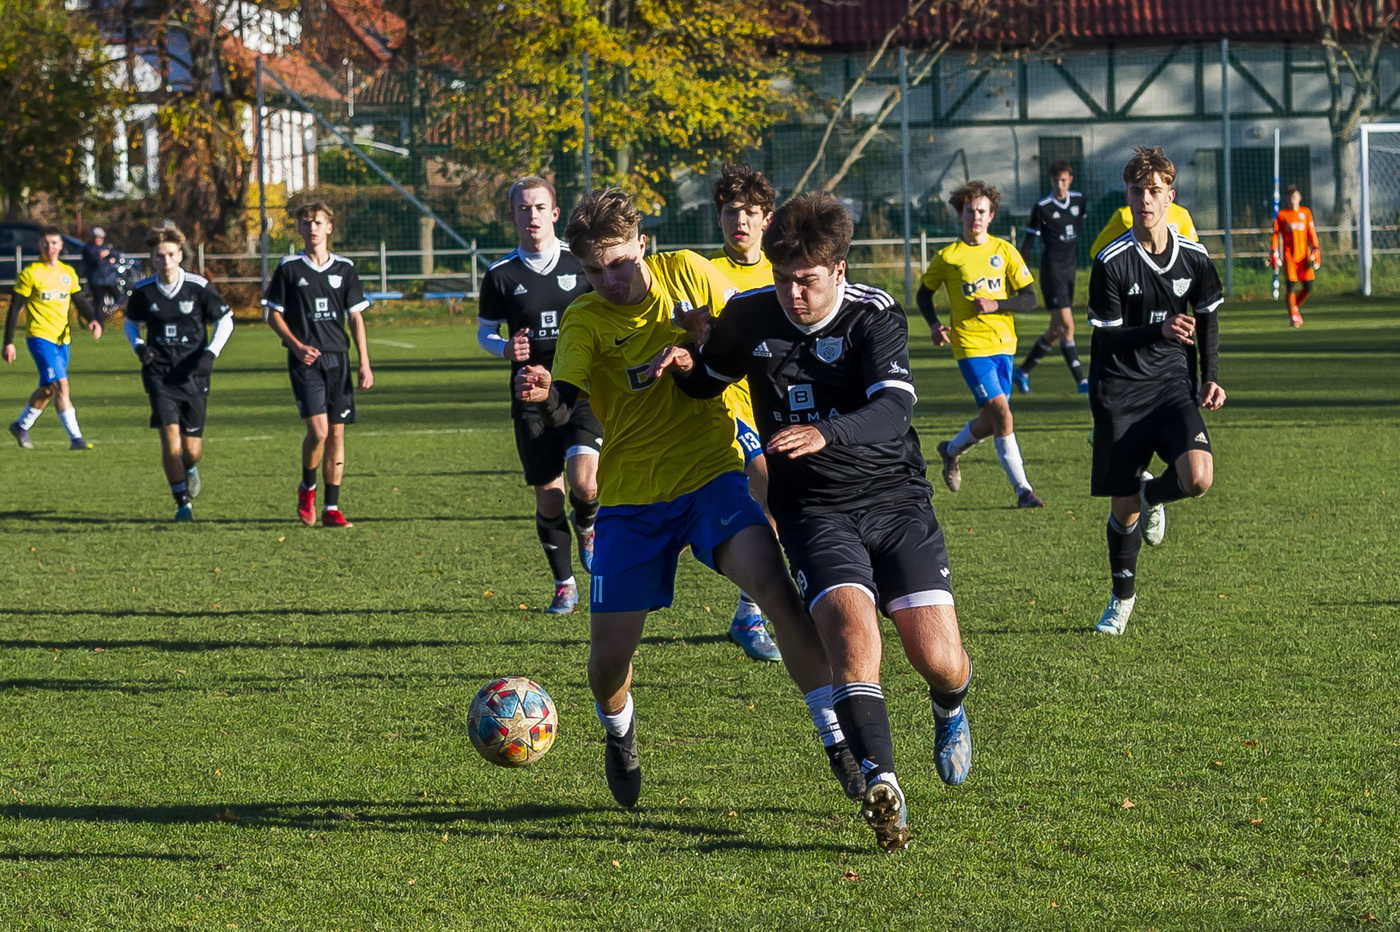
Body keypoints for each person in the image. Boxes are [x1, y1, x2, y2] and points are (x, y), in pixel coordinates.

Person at [514, 188, 860, 810]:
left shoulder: (688, 273)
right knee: (606, 665)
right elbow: (566, 401)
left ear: (641, 245)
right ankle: (620, 735)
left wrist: (709, 337)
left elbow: (756, 330)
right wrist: (542, 392)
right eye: (594, 271)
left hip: (710, 476)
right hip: (632, 500)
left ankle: (838, 742)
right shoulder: (585, 320)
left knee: (776, 592)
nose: (610, 280)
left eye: (619, 262)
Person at [652, 192, 974, 852]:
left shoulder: (874, 315)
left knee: (938, 660)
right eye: (782, 279)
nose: (793, 293)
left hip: (897, 502)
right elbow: (709, 382)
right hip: (812, 513)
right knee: (852, 638)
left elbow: (893, 412)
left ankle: (949, 708)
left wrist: (827, 432)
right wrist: (690, 354)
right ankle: (883, 783)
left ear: (839, 270)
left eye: (807, 280)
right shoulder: (747, 316)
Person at [1086, 146, 1225, 636]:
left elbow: (1207, 315)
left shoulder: (1194, 256)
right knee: (1121, 511)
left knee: (1198, 477)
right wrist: (1160, 330)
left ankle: (1154, 493)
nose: (1143, 199)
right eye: (1135, 191)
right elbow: (1106, 335)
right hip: (1119, 391)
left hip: (1172, 388)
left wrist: (1210, 374)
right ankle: (1121, 599)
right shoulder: (1112, 261)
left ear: (1170, 196)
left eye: (1152, 191)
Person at [478, 176, 600, 614]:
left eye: (539, 207)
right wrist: (506, 348)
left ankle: (587, 524)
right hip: (530, 393)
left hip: (580, 389)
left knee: (585, 483)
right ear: (512, 216)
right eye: (523, 208)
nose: (531, 215)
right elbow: (485, 333)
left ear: (555, 213)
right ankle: (564, 583)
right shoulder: (500, 275)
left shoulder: (582, 264)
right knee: (550, 496)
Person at [917, 181, 1045, 508]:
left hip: (1004, 345)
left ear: (991, 216)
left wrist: (996, 304)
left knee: (992, 421)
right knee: (1003, 413)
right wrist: (934, 325)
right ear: (960, 215)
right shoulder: (949, 257)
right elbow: (923, 293)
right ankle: (1023, 490)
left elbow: (1029, 299)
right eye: (969, 210)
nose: (975, 216)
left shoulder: (1005, 252)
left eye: (982, 211)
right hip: (970, 347)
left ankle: (951, 449)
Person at [703, 162, 782, 662]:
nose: (741, 222)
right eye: (732, 212)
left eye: (751, 213)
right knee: (767, 481)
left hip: (778, 405)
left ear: (767, 219)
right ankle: (753, 613)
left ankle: (749, 609)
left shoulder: (784, 270)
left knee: (782, 505)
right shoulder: (704, 272)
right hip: (728, 406)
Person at [262, 201, 374, 528]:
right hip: (305, 362)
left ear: (329, 228)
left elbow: (356, 317)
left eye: (318, 222)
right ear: (299, 228)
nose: (311, 228)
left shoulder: (345, 269)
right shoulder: (289, 268)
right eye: (306, 222)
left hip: (337, 360)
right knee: (319, 432)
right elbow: (273, 315)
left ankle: (331, 509)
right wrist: (297, 347)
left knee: (337, 436)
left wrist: (364, 364)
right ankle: (307, 487)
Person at [123, 224, 234, 521]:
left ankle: (191, 467)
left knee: (192, 449)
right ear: (152, 258)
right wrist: (139, 346)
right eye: (160, 256)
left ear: (180, 255)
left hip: (193, 374)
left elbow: (226, 321)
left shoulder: (197, 287)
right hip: (159, 375)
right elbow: (130, 322)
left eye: (171, 255)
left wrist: (210, 354)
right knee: (170, 442)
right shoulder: (144, 291)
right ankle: (182, 502)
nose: (166, 262)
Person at [4, 227, 102, 450]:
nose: (50, 247)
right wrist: (8, 342)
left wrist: (93, 319)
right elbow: (15, 307)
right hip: (39, 337)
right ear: (39, 246)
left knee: (48, 389)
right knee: (62, 385)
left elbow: (78, 299)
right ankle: (76, 438)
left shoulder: (67, 272)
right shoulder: (31, 273)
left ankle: (21, 425)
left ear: (61, 246)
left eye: (55, 243)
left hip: (62, 339)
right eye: (46, 243)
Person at [1014, 160, 1089, 394]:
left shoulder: (1079, 201)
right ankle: (1081, 381)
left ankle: (1023, 371)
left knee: (1055, 331)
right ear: (1050, 181)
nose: (1059, 184)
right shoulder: (1043, 207)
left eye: (1063, 180)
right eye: (1055, 180)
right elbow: (1028, 242)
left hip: (1070, 270)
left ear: (1070, 180)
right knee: (1068, 325)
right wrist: (1017, 269)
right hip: (1052, 271)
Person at [1272, 185, 1321, 328]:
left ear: (1299, 197)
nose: (1292, 200)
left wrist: (1316, 249)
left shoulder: (1305, 213)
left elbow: (1311, 232)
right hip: (1289, 257)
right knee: (1290, 287)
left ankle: (1294, 307)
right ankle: (1293, 315)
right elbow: (1276, 234)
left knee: (1308, 287)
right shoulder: (1282, 215)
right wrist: (1274, 251)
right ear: (1287, 199)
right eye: (1289, 197)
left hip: (1303, 257)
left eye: (1294, 197)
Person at [1091, 199, 1198, 256]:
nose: (1146, 198)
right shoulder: (1124, 215)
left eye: (1154, 190)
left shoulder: (1180, 214)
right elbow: (1098, 250)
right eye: (1138, 190)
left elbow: (1191, 252)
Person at [81, 226, 124, 318]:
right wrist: (109, 260)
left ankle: (112, 308)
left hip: (108, 279)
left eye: (101, 237)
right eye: (97, 237)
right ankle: (99, 324)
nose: (99, 239)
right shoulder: (89, 249)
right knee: (98, 303)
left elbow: (117, 253)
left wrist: (108, 253)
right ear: (92, 238)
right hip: (96, 280)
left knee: (120, 297)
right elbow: (97, 263)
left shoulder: (105, 247)